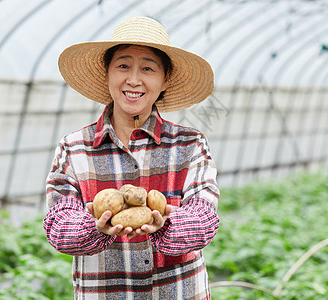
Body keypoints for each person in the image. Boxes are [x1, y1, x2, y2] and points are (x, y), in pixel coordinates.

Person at [43, 16, 220, 299]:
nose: (133, 79)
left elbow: (205, 219)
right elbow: (58, 226)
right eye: (123, 66)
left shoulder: (190, 145)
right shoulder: (74, 147)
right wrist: (95, 227)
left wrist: (166, 225)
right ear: (107, 75)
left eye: (147, 68)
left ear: (165, 81)